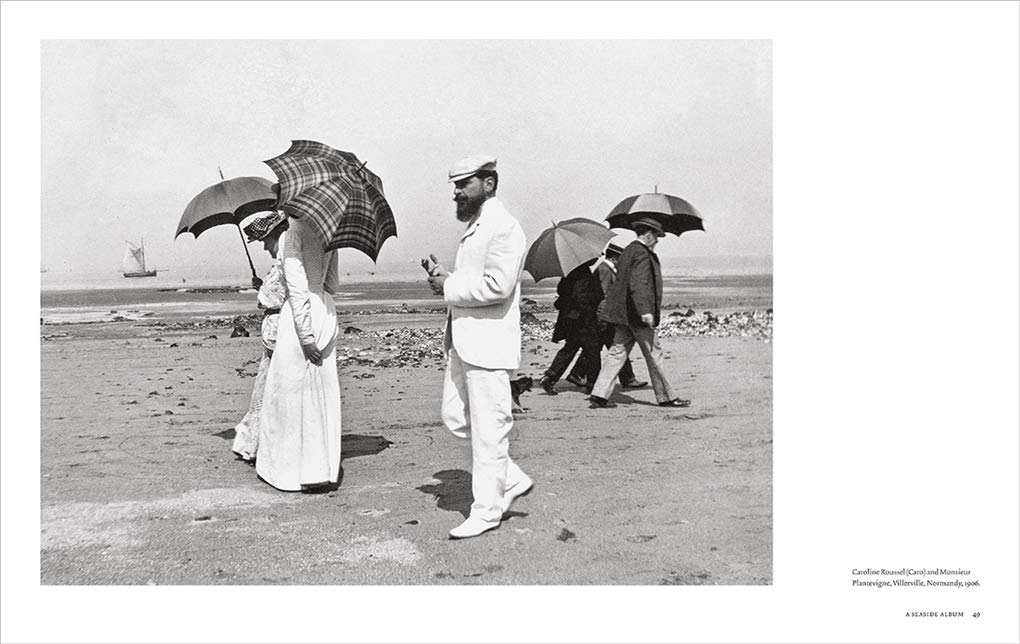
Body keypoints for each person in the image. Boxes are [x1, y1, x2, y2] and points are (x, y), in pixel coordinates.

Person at [421, 154, 533, 539]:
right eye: (455, 185)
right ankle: (509, 479)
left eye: (463, 184)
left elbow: (498, 287)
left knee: (490, 430)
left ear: (488, 183)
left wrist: (448, 288)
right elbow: (476, 280)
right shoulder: (479, 227)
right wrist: (446, 277)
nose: (456, 193)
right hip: (466, 341)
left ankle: (486, 511)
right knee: (456, 417)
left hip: (488, 345)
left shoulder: (504, 227)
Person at [255, 212, 343, 491]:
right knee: (322, 394)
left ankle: (289, 473)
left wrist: (305, 336)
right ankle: (321, 469)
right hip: (325, 310)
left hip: (299, 317)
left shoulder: (291, 234)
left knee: (288, 394)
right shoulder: (330, 230)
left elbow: (296, 290)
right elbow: (332, 285)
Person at [589, 217, 691, 409]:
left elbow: (624, 281)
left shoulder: (628, 251)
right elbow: (638, 284)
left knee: (616, 353)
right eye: (657, 236)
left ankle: (599, 395)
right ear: (648, 234)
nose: (658, 240)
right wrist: (645, 311)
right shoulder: (642, 253)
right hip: (636, 315)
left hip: (623, 314)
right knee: (654, 354)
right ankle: (667, 397)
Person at [231, 212, 289, 462]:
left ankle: (260, 443)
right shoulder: (280, 264)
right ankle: (257, 442)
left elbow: (277, 297)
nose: (264, 247)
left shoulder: (285, 262)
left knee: (270, 387)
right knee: (266, 386)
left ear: (275, 236)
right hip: (275, 328)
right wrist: (261, 286)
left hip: (278, 329)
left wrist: (262, 291)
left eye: (265, 241)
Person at [564, 243, 647, 392]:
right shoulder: (605, 269)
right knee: (615, 347)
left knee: (601, 347)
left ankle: (577, 373)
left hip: (604, 316)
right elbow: (603, 295)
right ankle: (627, 379)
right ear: (615, 257)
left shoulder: (606, 269)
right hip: (605, 317)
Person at [539, 259, 603, 395]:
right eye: (595, 257)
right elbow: (580, 297)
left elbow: (561, 290)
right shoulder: (583, 272)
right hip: (582, 320)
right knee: (593, 352)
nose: (597, 258)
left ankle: (550, 377)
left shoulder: (570, 272)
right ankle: (592, 385)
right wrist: (591, 313)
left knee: (570, 348)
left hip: (570, 318)